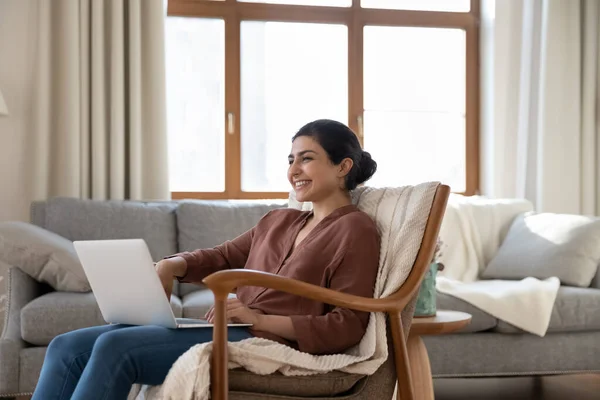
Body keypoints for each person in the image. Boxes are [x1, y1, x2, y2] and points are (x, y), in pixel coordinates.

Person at [32, 119, 380, 400]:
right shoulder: (280, 219)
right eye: (291, 160)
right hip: (229, 328)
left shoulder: (356, 230)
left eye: (306, 158)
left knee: (115, 346)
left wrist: (260, 319)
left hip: (267, 342)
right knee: (67, 346)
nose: (294, 170)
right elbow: (223, 256)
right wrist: (174, 265)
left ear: (342, 166)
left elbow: (348, 324)